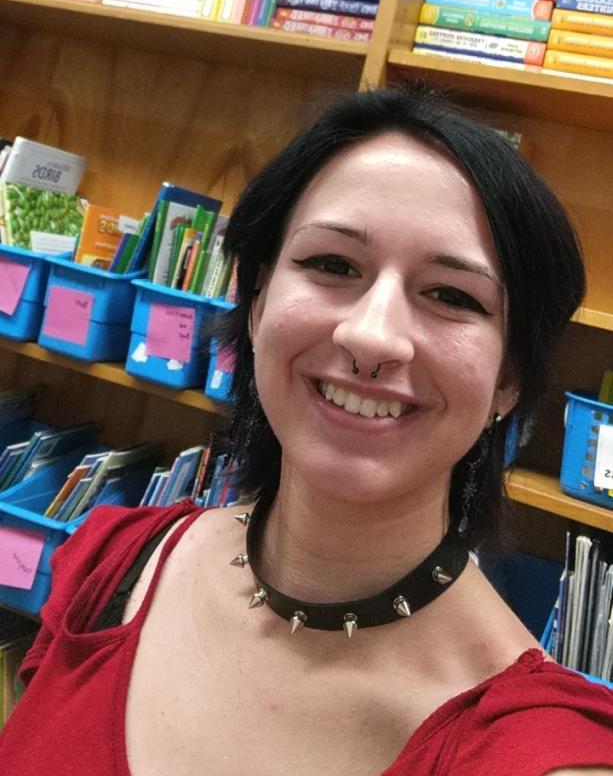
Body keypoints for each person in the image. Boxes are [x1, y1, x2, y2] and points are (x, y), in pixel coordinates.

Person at [1, 83, 612, 776]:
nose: (371, 336)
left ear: (508, 380)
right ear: (257, 301)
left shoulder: (537, 749)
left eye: (451, 295)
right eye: (332, 264)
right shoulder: (111, 567)